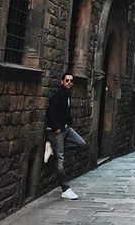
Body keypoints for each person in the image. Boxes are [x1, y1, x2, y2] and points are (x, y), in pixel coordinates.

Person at [44, 72, 87, 200]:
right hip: (57, 131)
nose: (69, 82)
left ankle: (54, 148)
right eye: (67, 80)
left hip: (66, 128)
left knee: (81, 143)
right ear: (62, 82)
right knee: (60, 160)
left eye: (71, 81)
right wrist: (55, 128)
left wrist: (68, 124)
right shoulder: (58, 94)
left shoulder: (67, 94)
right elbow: (50, 111)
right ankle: (65, 189)